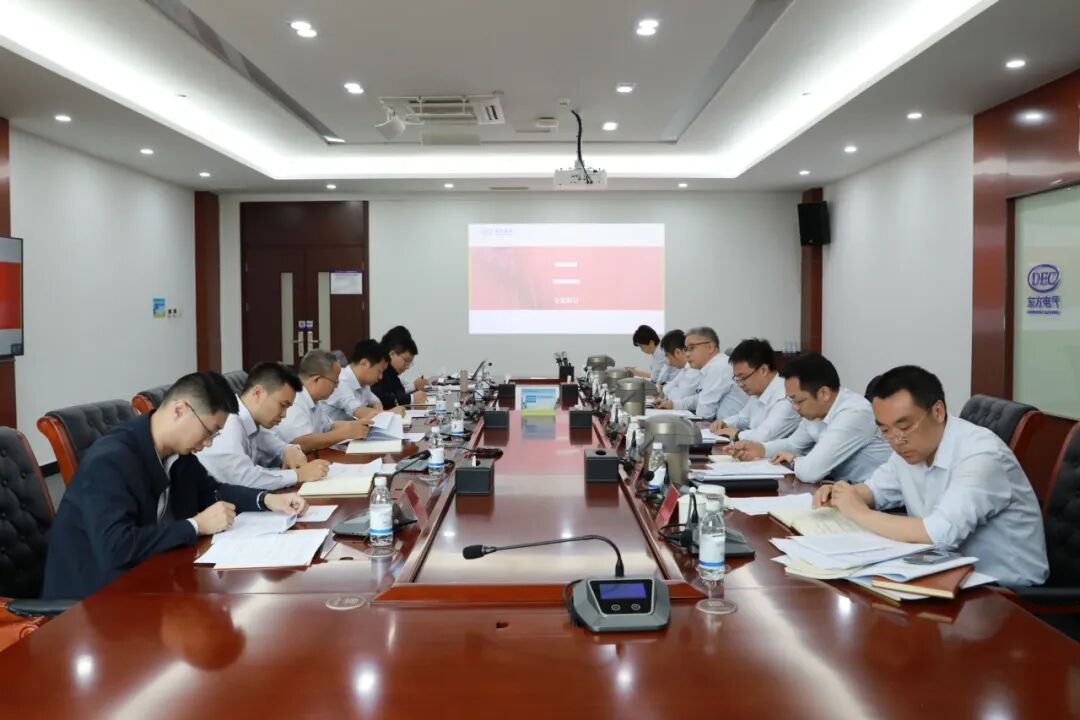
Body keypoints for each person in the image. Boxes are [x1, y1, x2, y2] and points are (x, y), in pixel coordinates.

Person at [41, 371, 308, 599]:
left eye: (215, 435)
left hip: (152, 575)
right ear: (180, 410)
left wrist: (267, 500)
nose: (209, 443)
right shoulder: (111, 459)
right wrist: (196, 525)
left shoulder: (178, 452)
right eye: (208, 432)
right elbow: (116, 547)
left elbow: (211, 492)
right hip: (96, 600)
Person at [814, 365, 1049, 586]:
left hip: (1005, 591)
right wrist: (842, 494)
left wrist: (859, 512)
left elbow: (940, 534)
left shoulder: (981, 455)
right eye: (885, 430)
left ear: (938, 411)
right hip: (941, 571)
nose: (896, 441)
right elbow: (875, 490)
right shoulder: (911, 448)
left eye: (904, 427)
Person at [730, 352, 890, 483]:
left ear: (823, 393)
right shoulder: (815, 412)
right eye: (791, 400)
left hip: (878, 499)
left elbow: (811, 472)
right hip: (842, 488)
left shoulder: (855, 413)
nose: (794, 407)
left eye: (798, 400)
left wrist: (794, 460)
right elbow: (793, 445)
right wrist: (760, 448)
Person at [197, 362, 330, 490]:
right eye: (282, 405)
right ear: (258, 393)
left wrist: (289, 450)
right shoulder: (228, 422)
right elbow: (244, 479)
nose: (284, 415)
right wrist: (298, 475)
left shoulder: (254, 423)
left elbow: (276, 446)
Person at [274, 349, 371, 453]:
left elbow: (329, 426)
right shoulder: (295, 399)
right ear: (317, 379)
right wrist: (346, 433)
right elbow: (302, 442)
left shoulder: (314, 400)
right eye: (335, 381)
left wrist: (358, 426)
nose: (337, 386)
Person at [710, 338, 800, 444]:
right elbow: (743, 419)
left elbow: (765, 436)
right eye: (737, 379)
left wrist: (738, 434)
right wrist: (724, 423)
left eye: (743, 378)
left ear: (763, 370)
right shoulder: (758, 392)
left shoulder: (786, 396)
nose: (740, 384)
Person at [670, 326, 748, 420]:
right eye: (686, 349)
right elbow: (700, 398)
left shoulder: (718, 367)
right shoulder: (711, 367)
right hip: (722, 425)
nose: (687, 354)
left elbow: (704, 414)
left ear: (710, 347)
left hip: (732, 427)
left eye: (691, 348)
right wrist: (673, 404)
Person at [325, 339, 396, 422]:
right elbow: (359, 411)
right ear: (364, 363)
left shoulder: (363, 383)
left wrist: (379, 410)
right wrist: (391, 413)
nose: (381, 377)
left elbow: (375, 401)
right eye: (379, 371)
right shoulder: (340, 381)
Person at [372, 330, 427, 409]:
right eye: (406, 361)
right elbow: (380, 397)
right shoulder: (380, 370)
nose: (407, 367)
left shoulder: (392, 373)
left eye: (409, 363)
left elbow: (399, 392)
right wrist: (411, 399)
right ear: (392, 354)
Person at [653, 330, 700, 409]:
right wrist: (667, 391)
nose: (669, 361)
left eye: (668, 356)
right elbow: (665, 390)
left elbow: (679, 398)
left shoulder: (693, 369)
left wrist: (667, 393)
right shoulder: (685, 368)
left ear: (677, 352)